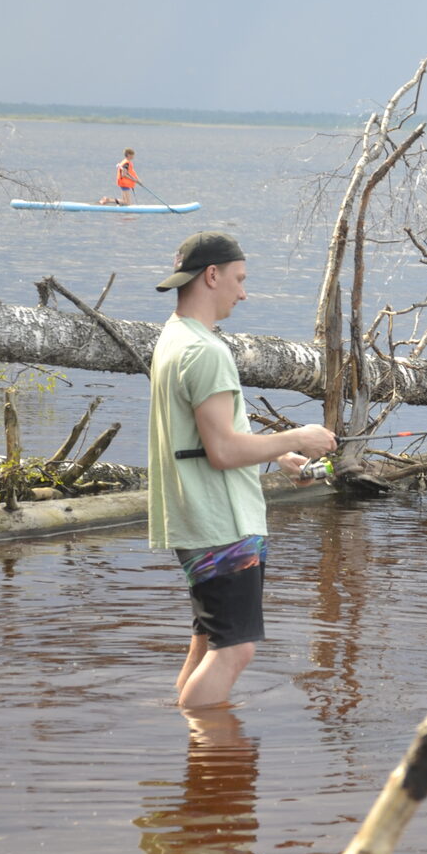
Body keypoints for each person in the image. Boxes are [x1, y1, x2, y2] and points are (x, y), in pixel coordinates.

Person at [148, 230, 336, 708]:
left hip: (195, 515)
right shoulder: (206, 351)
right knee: (235, 649)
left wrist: (277, 455)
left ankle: (192, 750)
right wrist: (298, 437)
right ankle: (208, 756)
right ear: (212, 275)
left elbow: (212, 434)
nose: (244, 292)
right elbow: (223, 453)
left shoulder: (176, 337)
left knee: (208, 641)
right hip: (221, 520)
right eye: (239, 279)